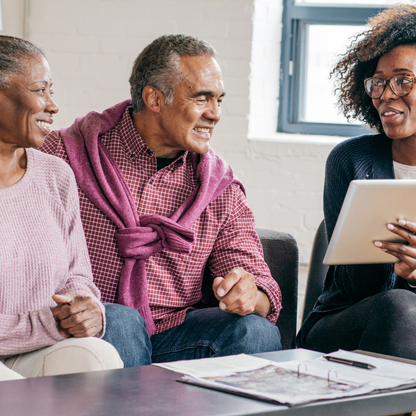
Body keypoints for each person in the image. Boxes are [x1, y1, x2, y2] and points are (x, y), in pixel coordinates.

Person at [41, 34, 282, 366]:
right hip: (88, 331)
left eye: (220, 100)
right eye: (202, 98)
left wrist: (250, 294)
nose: (215, 114)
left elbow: (263, 285)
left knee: (257, 333)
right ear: (154, 99)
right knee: (123, 322)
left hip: (174, 334)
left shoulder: (219, 188)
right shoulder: (65, 154)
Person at [0, 36, 123, 381]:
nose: (52, 105)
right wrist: (47, 324)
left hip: (35, 349)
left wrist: (87, 310)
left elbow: (77, 274)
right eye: (40, 90)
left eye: (51, 91)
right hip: (35, 338)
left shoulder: (55, 175)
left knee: (98, 357)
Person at [297, 4, 416, 359]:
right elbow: (355, 286)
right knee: (400, 307)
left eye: (403, 79)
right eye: (378, 82)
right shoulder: (352, 159)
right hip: (345, 323)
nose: (386, 94)